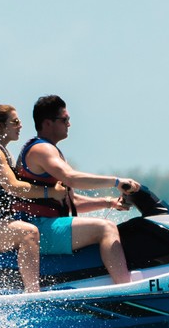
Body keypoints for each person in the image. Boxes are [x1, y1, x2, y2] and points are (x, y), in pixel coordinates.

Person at [15, 95, 140, 285]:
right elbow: (70, 177)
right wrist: (116, 182)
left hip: (47, 225)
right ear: (48, 123)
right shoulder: (41, 150)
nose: (69, 124)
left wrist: (109, 202)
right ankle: (126, 288)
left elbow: (70, 200)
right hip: (37, 228)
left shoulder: (51, 150)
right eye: (64, 120)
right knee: (106, 228)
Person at [0, 104, 67, 293]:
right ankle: (33, 294)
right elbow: (14, 187)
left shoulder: (1, 150)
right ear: (0, 126)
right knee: (28, 232)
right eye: (15, 122)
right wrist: (51, 193)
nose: (20, 126)